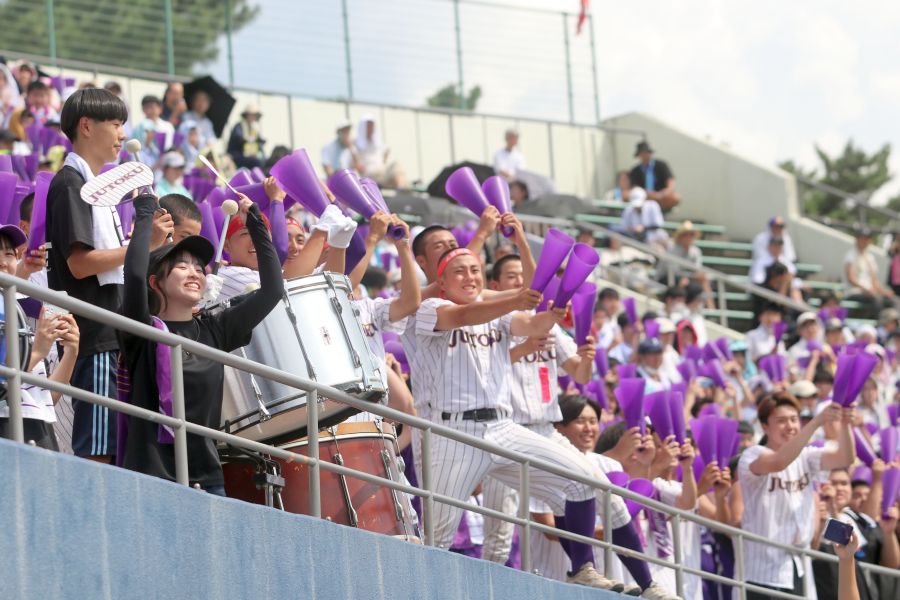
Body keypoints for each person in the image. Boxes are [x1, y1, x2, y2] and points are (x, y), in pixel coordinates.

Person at [415, 247, 676, 595]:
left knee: (582, 480)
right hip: (453, 433)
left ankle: (583, 568)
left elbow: (533, 323)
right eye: (459, 271)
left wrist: (553, 311)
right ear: (442, 281)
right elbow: (464, 318)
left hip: (503, 428)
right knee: (437, 537)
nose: (469, 277)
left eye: (474, 270)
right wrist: (515, 300)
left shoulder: (502, 316)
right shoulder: (431, 308)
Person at [119, 191, 281, 493]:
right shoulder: (142, 329)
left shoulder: (214, 329)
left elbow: (272, 291)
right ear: (155, 282)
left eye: (198, 268)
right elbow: (134, 273)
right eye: (182, 266)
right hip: (150, 475)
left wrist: (257, 224)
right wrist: (144, 214)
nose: (194, 273)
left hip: (206, 478)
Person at [46, 88, 172, 463]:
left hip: (109, 335)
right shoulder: (71, 182)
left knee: (115, 449)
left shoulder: (92, 185)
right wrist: (143, 247)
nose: (122, 135)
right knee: (99, 452)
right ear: (87, 126)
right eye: (115, 124)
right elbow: (80, 263)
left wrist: (146, 244)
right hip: (95, 334)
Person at [737, 392, 855, 599]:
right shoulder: (752, 454)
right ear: (765, 426)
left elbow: (845, 457)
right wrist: (818, 421)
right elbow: (779, 462)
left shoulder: (807, 456)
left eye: (794, 419)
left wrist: (845, 423)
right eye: (781, 421)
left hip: (800, 566)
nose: (790, 426)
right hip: (760, 569)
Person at [0, 224, 80, 450]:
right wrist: (38, 351)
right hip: (7, 426)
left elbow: (48, 397)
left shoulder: (17, 312)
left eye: (8, 253)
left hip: (40, 429)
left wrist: (71, 352)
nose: (3, 260)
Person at [844, 227, 895, 317]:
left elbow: (874, 280)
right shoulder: (850, 255)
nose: (865, 241)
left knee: (893, 301)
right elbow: (851, 279)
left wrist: (883, 291)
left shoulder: (870, 257)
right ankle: (878, 325)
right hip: (854, 292)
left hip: (870, 292)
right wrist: (866, 289)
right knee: (877, 299)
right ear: (857, 239)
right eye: (862, 238)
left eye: (867, 239)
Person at [354, 114, 406, 188]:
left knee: (396, 165)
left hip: (382, 173)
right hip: (367, 175)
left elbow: (386, 158)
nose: (371, 128)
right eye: (368, 126)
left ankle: (402, 189)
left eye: (372, 126)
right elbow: (354, 165)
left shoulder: (379, 144)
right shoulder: (356, 144)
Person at [629, 141, 679, 211]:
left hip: (662, 197)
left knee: (675, 198)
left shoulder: (661, 165)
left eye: (646, 152)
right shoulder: (635, 171)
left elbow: (670, 182)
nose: (645, 155)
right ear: (639, 155)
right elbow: (635, 188)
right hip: (644, 197)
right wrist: (650, 195)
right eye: (642, 153)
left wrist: (664, 193)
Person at [226, 105, 265, 170]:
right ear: (247, 115)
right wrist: (250, 140)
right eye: (252, 115)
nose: (254, 117)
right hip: (236, 155)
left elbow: (259, 140)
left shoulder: (253, 129)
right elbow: (238, 137)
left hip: (249, 156)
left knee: (263, 159)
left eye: (255, 115)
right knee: (256, 162)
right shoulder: (239, 126)